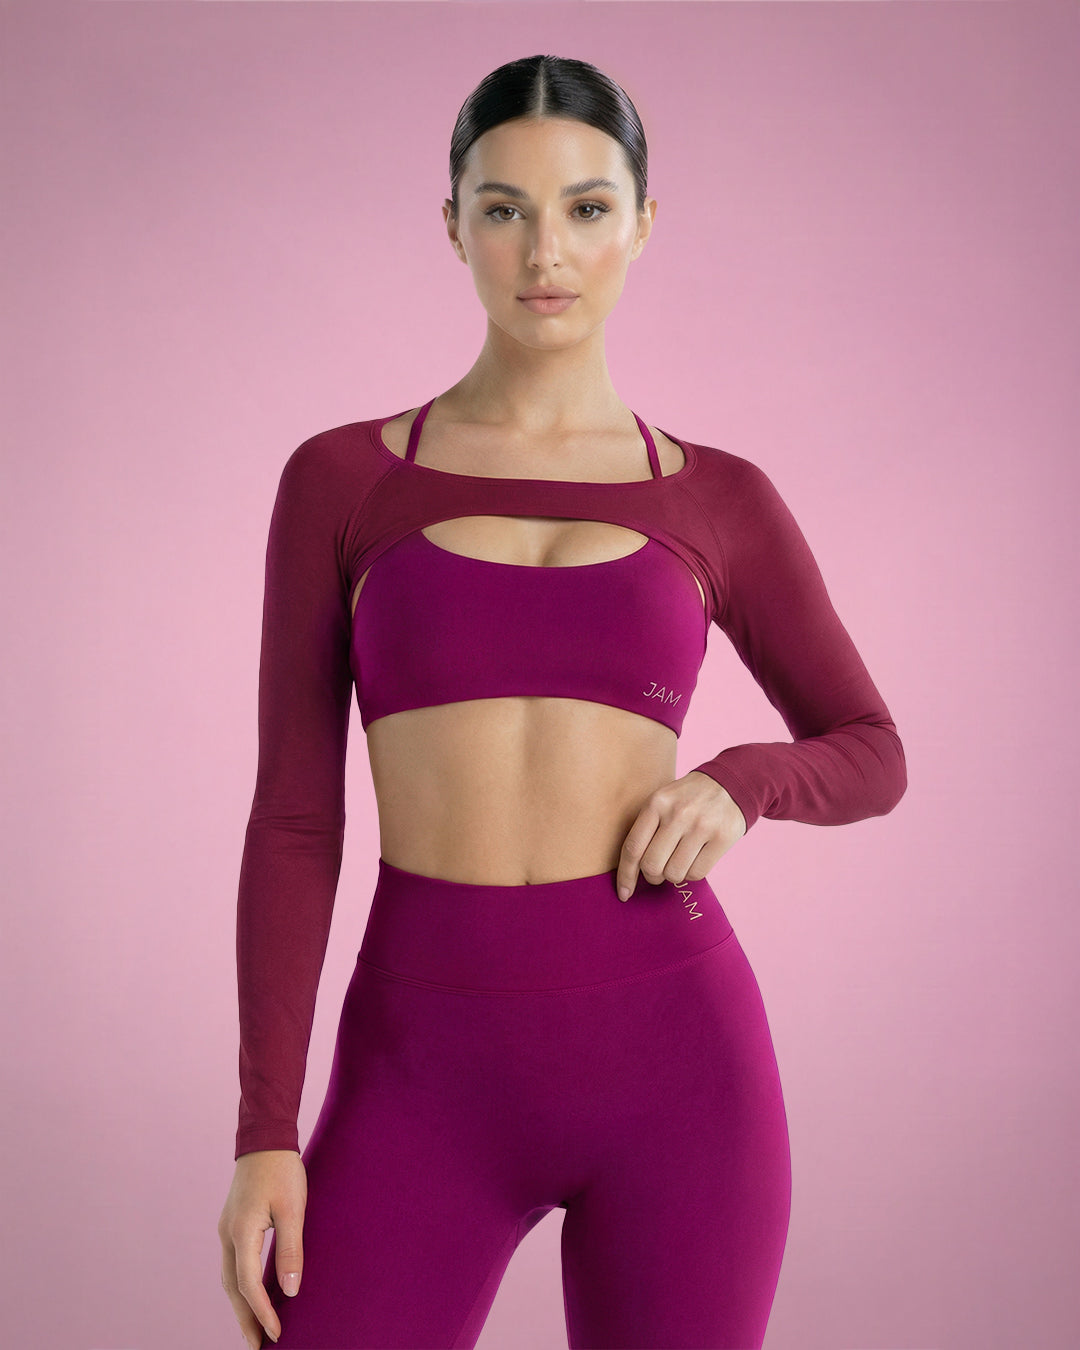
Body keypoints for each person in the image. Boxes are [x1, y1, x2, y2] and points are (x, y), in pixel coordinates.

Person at [217, 53, 906, 1350]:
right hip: (418, 1066)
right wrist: (266, 1128)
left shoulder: (719, 496)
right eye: (505, 209)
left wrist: (742, 782)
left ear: (642, 223)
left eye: (588, 208)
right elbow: (296, 821)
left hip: (678, 1065)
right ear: (453, 224)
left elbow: (872, 750)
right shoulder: (342, 481)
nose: (546, 252)